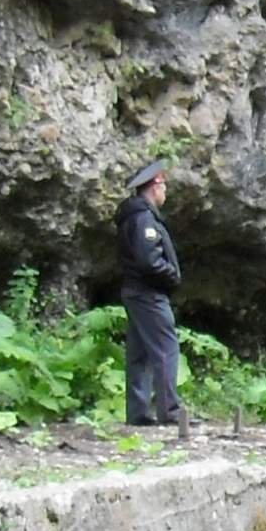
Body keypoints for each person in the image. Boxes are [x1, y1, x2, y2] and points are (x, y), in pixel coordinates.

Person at [115, 158, 182, 427]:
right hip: (148, 294)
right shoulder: (144, 220)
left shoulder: (133, 217)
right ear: (155, 187)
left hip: (135, 292)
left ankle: (138, 412)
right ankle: (170, 410)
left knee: (140, 352)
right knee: (166, 348)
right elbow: (149, 260)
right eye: (164, 186)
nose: (165, 192)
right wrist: (171, 275)